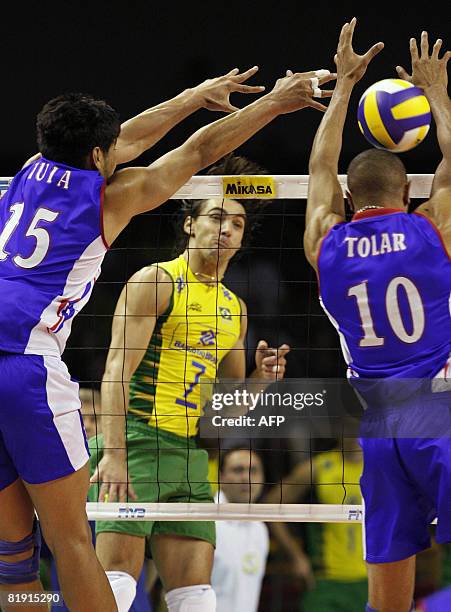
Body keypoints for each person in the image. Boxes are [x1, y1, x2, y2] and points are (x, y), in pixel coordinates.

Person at [0, 64, 336, 612]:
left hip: (186, 451)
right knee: (71, 544)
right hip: (44, 375)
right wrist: (273, 103)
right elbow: (198, 152)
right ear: (97, 159)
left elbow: (123, 139)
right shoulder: (125, 227)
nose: (226, 229)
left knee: (14, 557)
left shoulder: (30, 171)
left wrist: (192, 96)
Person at [88, 151, 302, 612]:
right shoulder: (156, 281)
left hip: (190, 455)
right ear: (190, 224)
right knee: (117, 590)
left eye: (237, 224)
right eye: (216, 218)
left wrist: (262, 381)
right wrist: (115, 454)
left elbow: (225, 410)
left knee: (198, 597)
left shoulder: (235, 310)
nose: (226, 230)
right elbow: (114, 374)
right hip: (139, 443)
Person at [304, 18, 451, 612]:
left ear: (347, 198)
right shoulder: (432, 229)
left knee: (387, 593)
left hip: (380, 425)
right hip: (439, 411)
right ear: (408, 195)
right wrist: (437, 95)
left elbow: (320, 168)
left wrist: (342, 88)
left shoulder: (325, 243)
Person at [265, 437, 367, 611]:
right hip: (325, 581)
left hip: (370, 580)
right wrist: (296, 556)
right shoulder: (318, 467)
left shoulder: (380, 467)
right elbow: (271, 506)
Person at [211, 447, 269, 612]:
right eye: (238, 470)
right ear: (221, 477)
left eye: (253, 470)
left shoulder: (260, 529)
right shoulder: (206, 521)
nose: (246, 478)